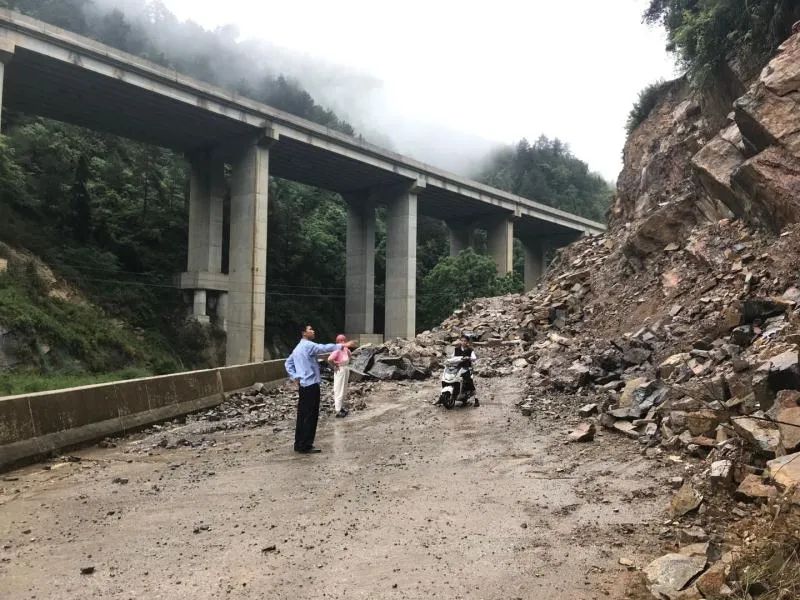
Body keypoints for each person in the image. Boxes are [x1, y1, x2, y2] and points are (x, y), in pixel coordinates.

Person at [285, 325, 357, 454]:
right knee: (311, 416)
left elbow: (288, 363)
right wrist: (343, 345)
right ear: (304, 333)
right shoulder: (308, 345)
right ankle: (306, 445)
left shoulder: (297, 348)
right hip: (311, 385)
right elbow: (323, 348)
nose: (313, 331)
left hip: (303, 385)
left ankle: (299, 443)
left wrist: (295, 376)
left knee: (302, 416)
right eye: (310, 329)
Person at [327, 334, 351, 418]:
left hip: (345, 368)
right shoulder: (336, 350)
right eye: (341, 341)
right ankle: (337, 409)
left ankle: (341, 407)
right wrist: (335, 365)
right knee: (339, 389)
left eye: (344, 340)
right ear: (337, 342)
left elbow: (349, 356)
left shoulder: (345, 349)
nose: (343, 342)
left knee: (344, 389)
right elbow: (330, 359)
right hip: (340, 369)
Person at [453, 334, 479, 407]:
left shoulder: (470, 350)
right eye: (462, 341)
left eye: (465, 341)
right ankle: (442, 396)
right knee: (448, 378)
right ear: (460, 341)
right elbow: (453, 357)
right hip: (457, 368)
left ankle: (476, 399)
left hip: (466, 368)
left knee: (469, 381)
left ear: (467, 342)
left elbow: (474, 358)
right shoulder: (456, 349)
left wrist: (469, 358)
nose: (463, 342)